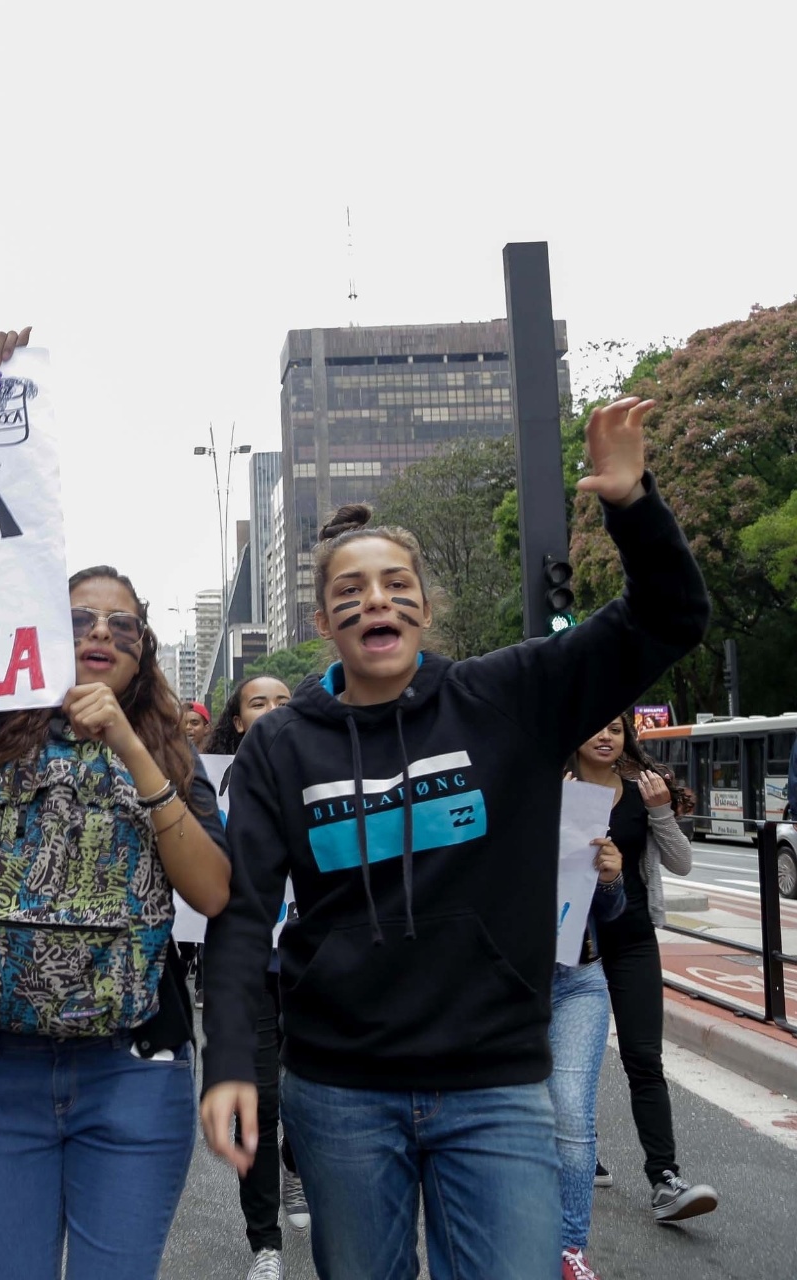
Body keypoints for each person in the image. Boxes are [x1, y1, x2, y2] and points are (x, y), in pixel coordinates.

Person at [200, 397, 710, 1279]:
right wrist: (231, 1064)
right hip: (340, 1090)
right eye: (349, 591)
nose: (376, 601)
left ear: (425, 608)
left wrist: (633, 504)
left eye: (397, 585)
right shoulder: (280, 745)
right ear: (323, 623)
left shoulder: (508, 696)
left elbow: (669, 619)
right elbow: (243, 916)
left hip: (497, 1081)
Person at [0, 563, 232, 1278]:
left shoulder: (168, 751)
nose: (101, 632)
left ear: (143, 647)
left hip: (133, 1070)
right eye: (77, 619)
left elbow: (212, 893)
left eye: (121, 623)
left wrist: (130, 746)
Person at [579, 711, 718, 1224]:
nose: (605, 736)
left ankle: (664, 1178)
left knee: (644, 1057)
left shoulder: (643, 789)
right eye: (596, 726)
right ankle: (581, 1153)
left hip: (634, 940)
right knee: (577, 1059)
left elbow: (681, 863)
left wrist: (660, 811)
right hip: (573, 946)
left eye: (616, 729)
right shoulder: (554, 785)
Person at [203, 673, 303, 1280]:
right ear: (238, 722)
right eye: (258, 703)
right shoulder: (211, 787)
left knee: (313, 1099)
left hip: (317, 969)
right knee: (259, 1102)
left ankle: (296, 1163)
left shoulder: (327, 771)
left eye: (283, 702)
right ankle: (264, 1241)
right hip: (251, 968)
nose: (271, 711)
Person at [552, 723, 637, 1280]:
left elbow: (609, 912)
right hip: (508, 989)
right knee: (511, 1122)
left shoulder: (588, 807)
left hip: (580, 980)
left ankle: (570, 1248)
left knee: (571, 1114)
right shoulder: (514, 794)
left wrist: (610, 878)